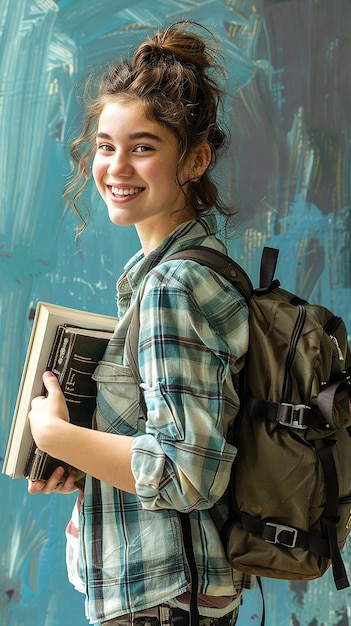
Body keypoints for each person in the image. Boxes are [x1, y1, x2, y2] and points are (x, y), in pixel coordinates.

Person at [28, 20, 252, 626]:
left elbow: (187, 474)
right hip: (176, 595)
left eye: (144, 146)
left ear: (196, 158)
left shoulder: (172, 286)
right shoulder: (179, 273)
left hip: (162, 606)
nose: (116, 166)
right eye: (105, 145)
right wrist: (85, 466)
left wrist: (56, 438)